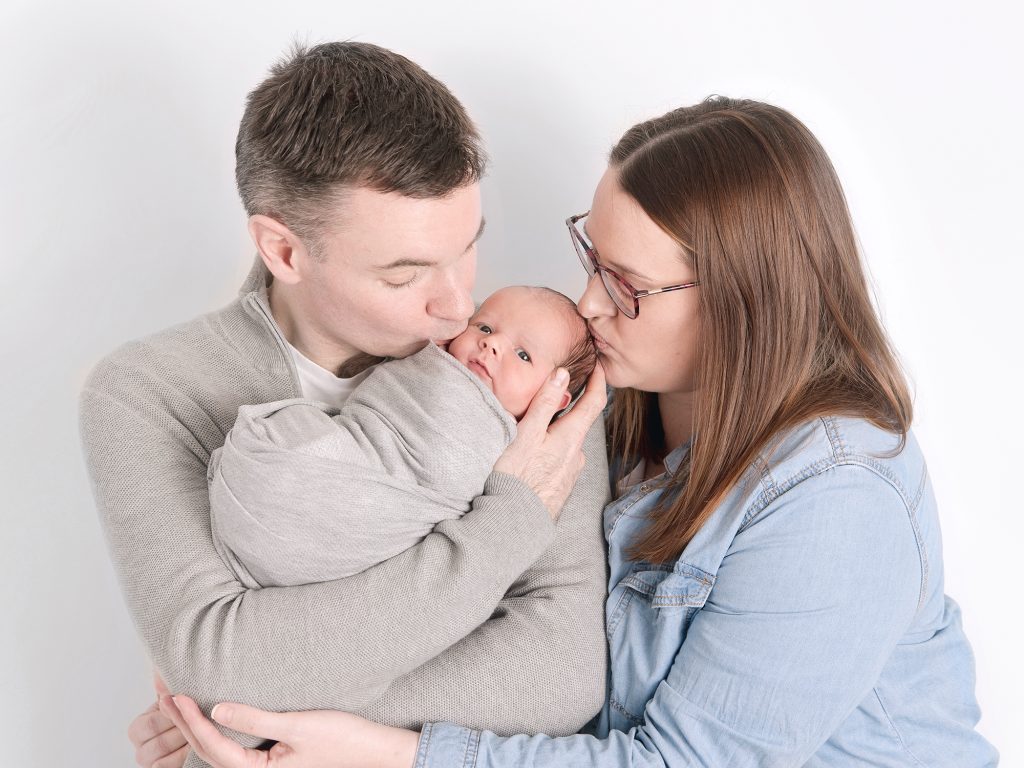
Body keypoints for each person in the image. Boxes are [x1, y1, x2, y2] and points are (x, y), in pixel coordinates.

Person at [155, 97, 999, 766]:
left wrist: (381, 752)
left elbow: (678, 763)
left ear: (746, 301)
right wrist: (239, 714)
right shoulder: (602, 406)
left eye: (626, 283)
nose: (589, 303)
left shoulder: (839, 498)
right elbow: (439, 590)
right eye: (592, 258)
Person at [79, 42, 610, 768]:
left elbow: (561, 674)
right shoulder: (148, 393)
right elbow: (219, 662)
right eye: (405, 275)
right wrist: (511, 519)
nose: (459, 307)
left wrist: (304, 732)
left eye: (466, 250)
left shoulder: (526, 365)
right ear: (285, 251)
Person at [211, 286, 597, 588]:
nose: (491, 344)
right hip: (343, 451)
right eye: (485, 326)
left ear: (554, 396)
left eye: (523, 355)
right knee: (307, 441)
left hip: (374, 504)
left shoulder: (520, 446)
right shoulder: (430, 358)